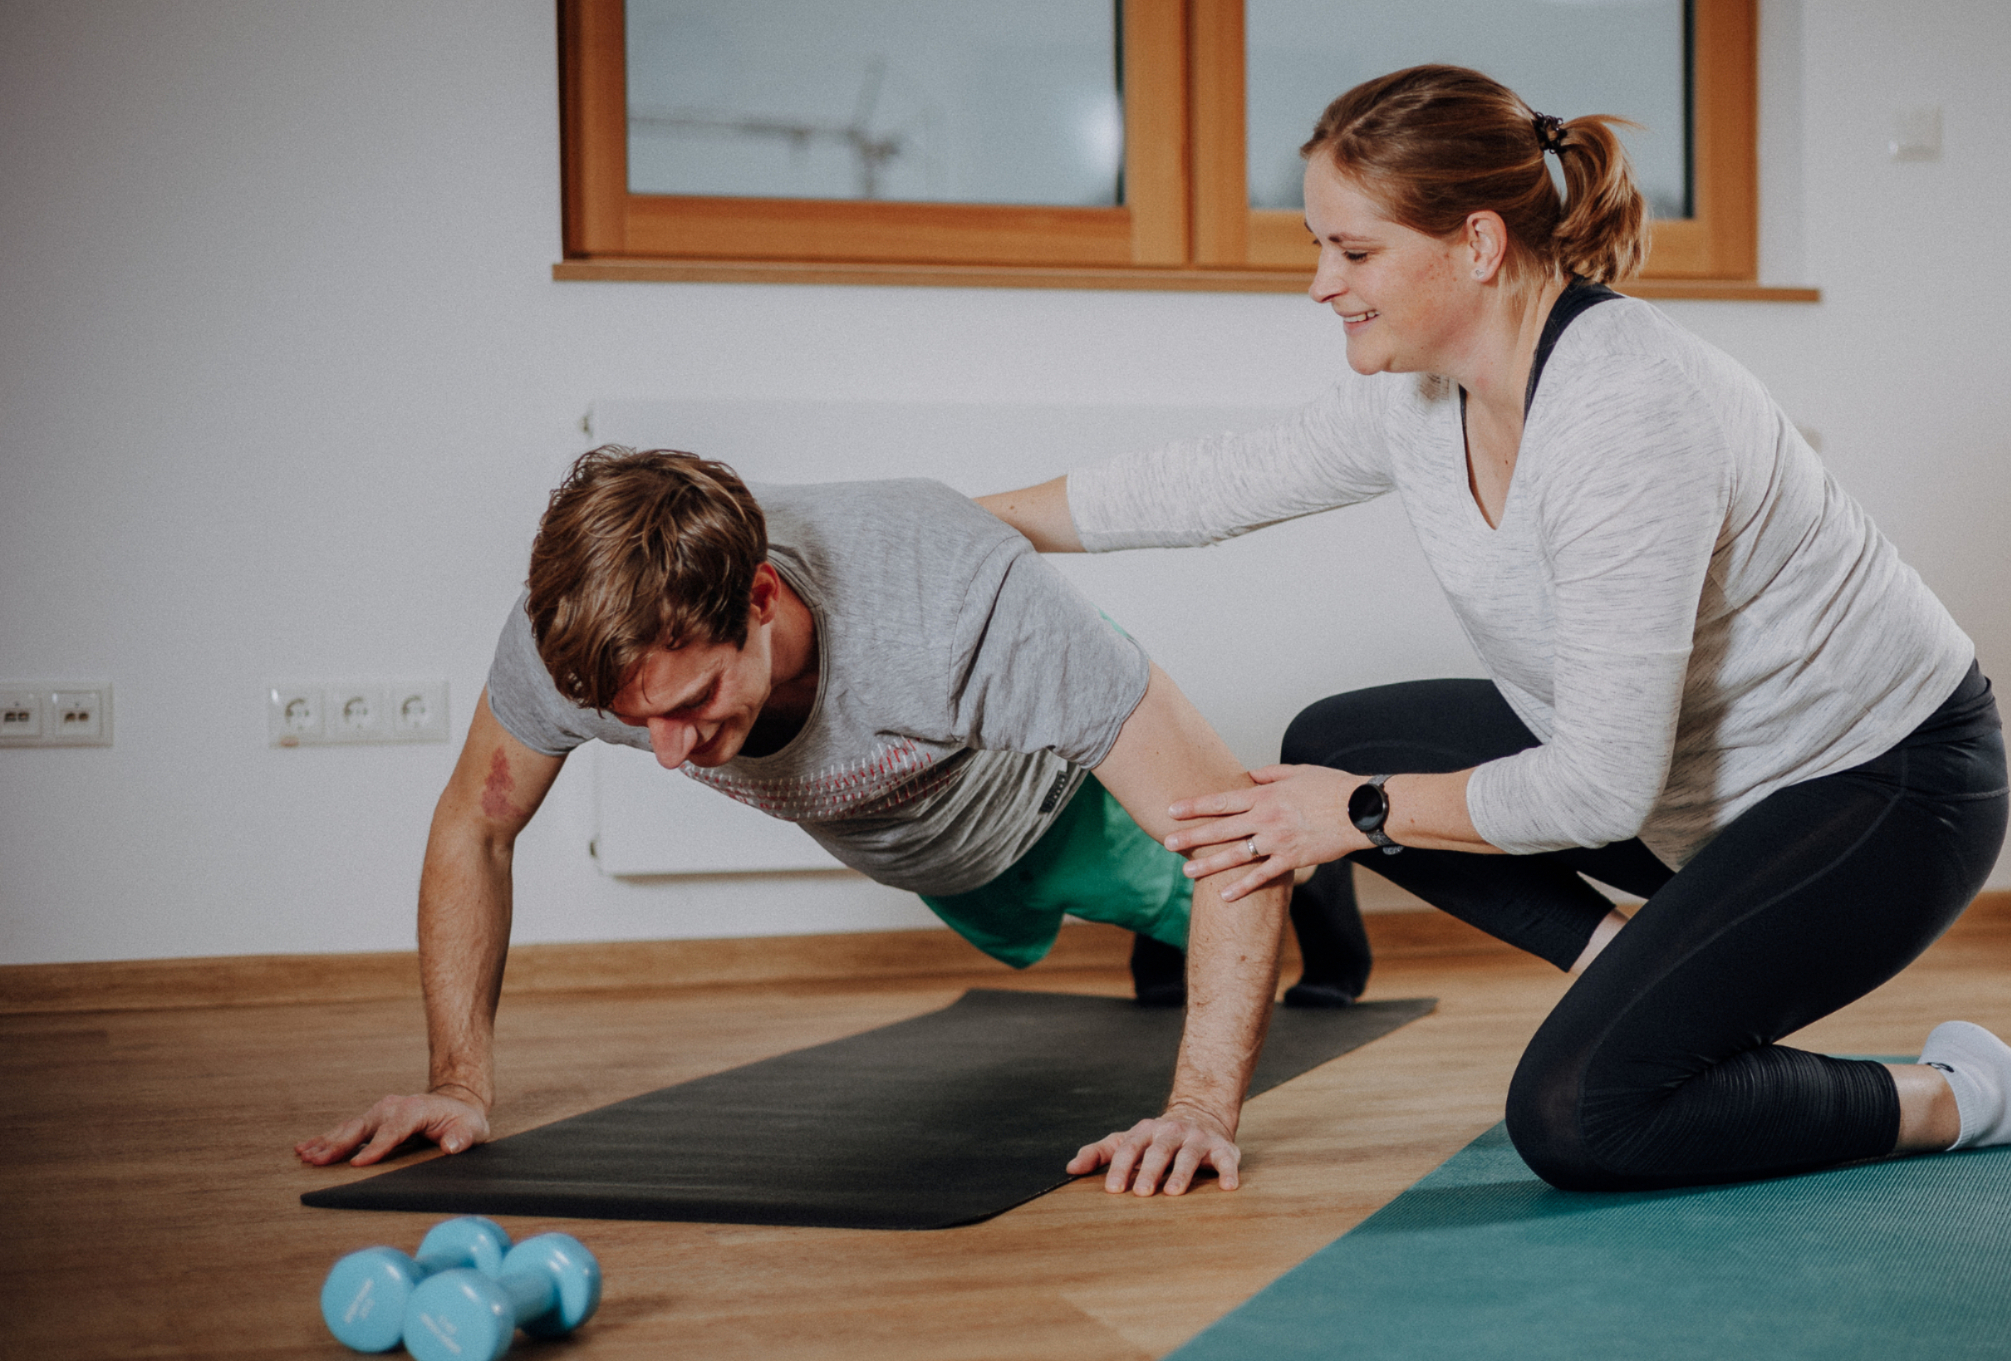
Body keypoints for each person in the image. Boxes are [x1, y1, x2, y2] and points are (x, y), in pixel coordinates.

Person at [979, 65, 2011, 1192]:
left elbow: (1595, 791)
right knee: (1339, 731)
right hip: (1700, 778)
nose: (1321, 283)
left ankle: (1972, 1092)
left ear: (1476, 244)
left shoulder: (1628, 410)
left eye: (1354, 249)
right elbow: (1208, 483)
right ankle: (1627, 974)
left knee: (1579, 1113)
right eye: (1318, 248)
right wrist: (963, 523)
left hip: (1880, 791)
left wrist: (1356, 811)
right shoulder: (1423, 393)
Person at [298, 447, 1300, 1197]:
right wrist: (456, 1082)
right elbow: (475, 828)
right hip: (922, 851)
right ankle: (1154, 939)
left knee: (1202, 897)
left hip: (1050, 796)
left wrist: (1198, 1110)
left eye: (691, 702)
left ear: (761, 595)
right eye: (632, 720)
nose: (668, 753)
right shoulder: (570, 640)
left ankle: (1308, 891)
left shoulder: (960, 602)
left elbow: (1236, 836)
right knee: (1010, 924)